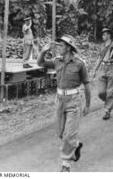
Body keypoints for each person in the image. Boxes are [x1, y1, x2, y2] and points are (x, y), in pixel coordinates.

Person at [37, 35, 91, 172]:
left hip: (74, 101)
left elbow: (87, 84)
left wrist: (88, 105)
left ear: (68, 47)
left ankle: (65, 165)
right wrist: (43, 51)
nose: (58, 48)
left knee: (68, 135)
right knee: (60, 133)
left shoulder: (79, 64)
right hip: (60, 100)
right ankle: (76, 145)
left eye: (61, 45)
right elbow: (40, 63)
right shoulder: (57, 61)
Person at [93, 28, 113, 120]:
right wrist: (95, 70)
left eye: (104, 34)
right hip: (103, 68)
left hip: (111, 67)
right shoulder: (102, 46)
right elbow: (100, 58)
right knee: (101, 92)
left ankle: (107, 110)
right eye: (102, 34)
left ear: (109, 35)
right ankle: (109, 102)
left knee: (110, 91)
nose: (103, 36)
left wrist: (111, 59)